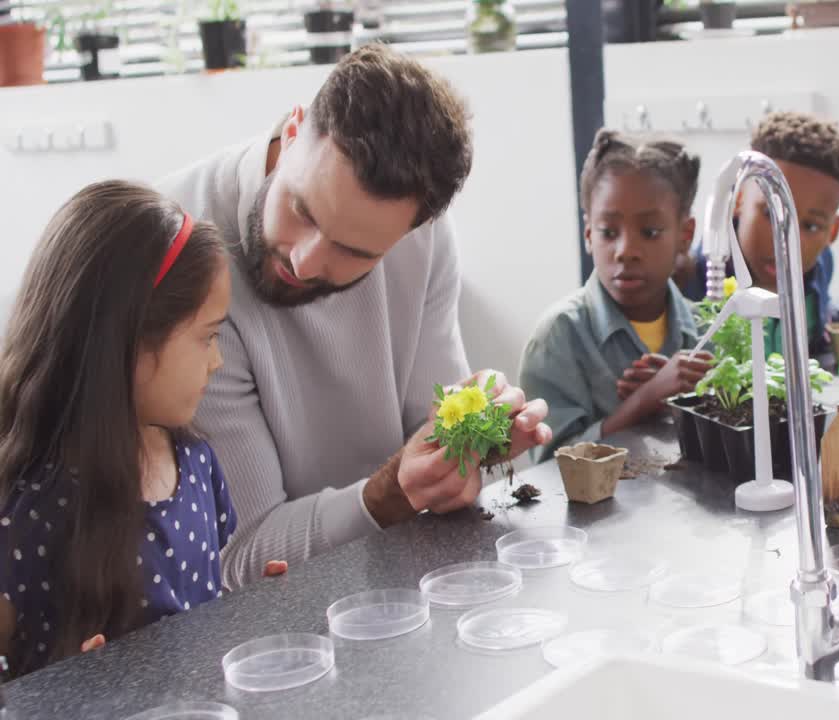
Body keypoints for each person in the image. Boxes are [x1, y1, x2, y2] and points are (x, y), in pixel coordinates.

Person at [157, 44, 551, 590]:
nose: (304, 260)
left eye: (354, 251)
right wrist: (387, 496)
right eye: (302, 209)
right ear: (293, 130)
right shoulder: (178, 246)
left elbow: (426, 435)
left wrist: (467, 450)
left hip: (391, 586)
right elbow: (238, 557)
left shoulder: (427, 241)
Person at [0, 181, 235, 676]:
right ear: (128, 340)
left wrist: (257, 606)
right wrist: (77, 687)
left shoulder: (195, 463)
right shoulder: (28, 511)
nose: (216, 361)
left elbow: (211, 604)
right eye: (206, 337)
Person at [520, 130, 713, 463]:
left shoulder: (708, 331)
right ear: (588, 234)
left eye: (650, 232)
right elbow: (552, 471)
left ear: (685, 236)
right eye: (609, 232)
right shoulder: (557, 338)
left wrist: (697, 397)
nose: (625, 251)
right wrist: (644, 401)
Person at [677, 111, 839, 362]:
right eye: (771, 215)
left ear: (833, 230)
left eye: (811, 226)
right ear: (739, 198)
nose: (786, 243)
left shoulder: (821, 266)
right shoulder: (692, 279)